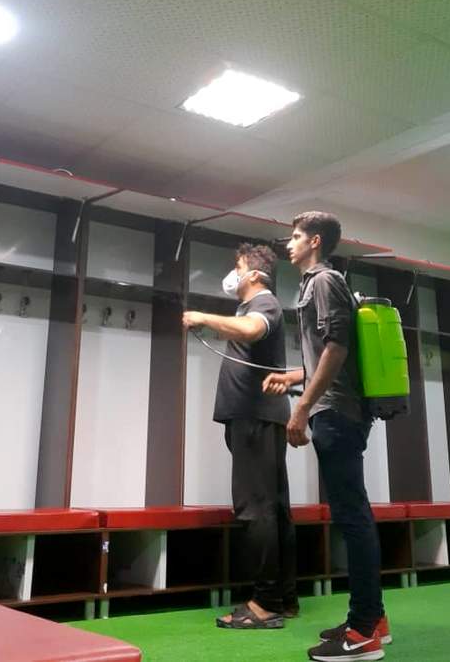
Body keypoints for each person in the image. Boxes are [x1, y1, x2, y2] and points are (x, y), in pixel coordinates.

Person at [263, 212, 390, 661]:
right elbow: (327, 356)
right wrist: (293, 376)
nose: (289, 243)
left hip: (336, 414)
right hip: (334, 410)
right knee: (353, 514)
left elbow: (338, 348)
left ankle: (363, 631)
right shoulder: (314, 284)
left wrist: (301, 407)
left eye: (296, 236)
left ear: (315, 241)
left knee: (353, 517)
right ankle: (373, 619)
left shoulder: (324, 280)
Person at [182, 242, 298, 629]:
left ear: (254, 274)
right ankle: (284, 597)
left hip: (255, 418)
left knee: (256, 509)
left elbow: (252, 330)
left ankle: (265, 603)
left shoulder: (263, 304)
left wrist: (203, 315)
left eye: (238, 266)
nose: (233, 273)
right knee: (273, 509)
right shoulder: (252, 307)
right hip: (258, 418)